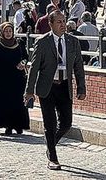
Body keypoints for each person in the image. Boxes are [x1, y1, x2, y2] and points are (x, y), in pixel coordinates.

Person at [25, 11, 86, 171]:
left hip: (65, 86)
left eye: (64, 21)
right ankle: (53, 157)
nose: (63, 24)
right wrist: (29, 91)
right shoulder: (43, 42)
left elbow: (79, 66)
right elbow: (34, 68)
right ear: (50, 24)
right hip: (47, 87)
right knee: (50, 123)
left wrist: (81, 87)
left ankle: (50, 144)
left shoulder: (73, 41)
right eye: (59, 22)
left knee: (66, 123)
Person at [0, 22, 30, 135]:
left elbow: (26, 57)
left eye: (10, 31)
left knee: (18, 102)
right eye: (6, 31)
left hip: (17, 78)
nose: (8, 34)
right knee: (5, 102)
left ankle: (19, 125)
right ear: (2, 32)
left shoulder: (19, 43)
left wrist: (23, 63)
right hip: (3, 79)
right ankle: (8, 126)